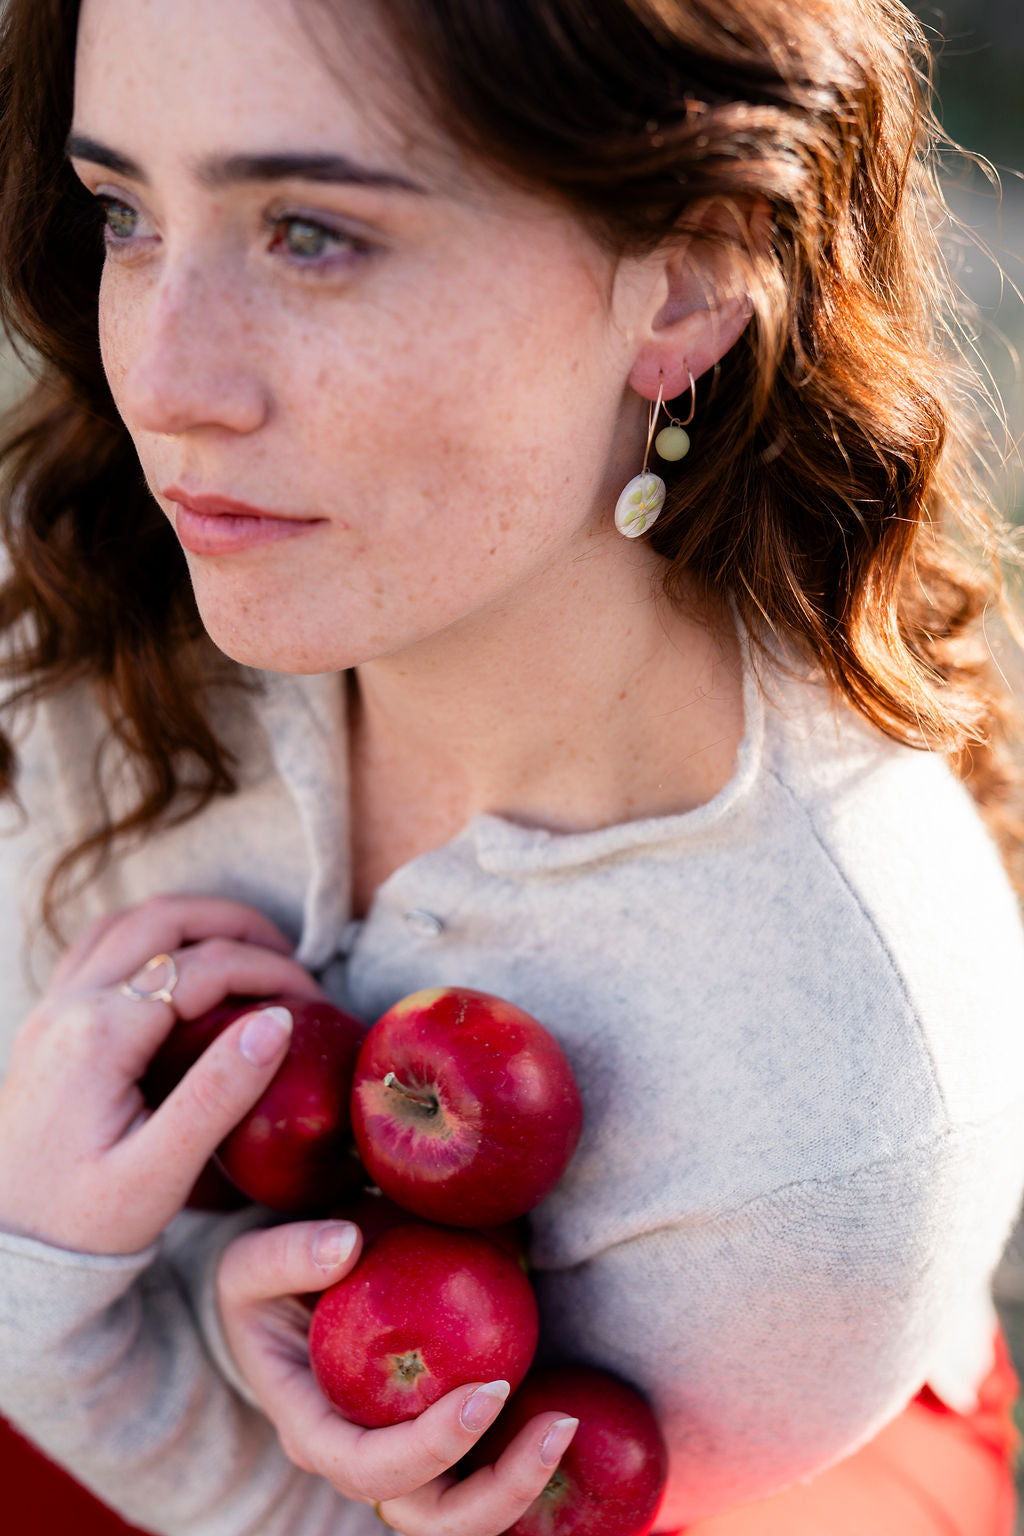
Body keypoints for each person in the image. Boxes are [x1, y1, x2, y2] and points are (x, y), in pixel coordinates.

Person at [0, 0, 1022, 1532]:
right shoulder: (105, 607)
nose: (162, 375)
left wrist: (58, 1317)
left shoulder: (830, 1112)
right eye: (123, 212)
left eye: (313, 234)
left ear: (682, 278)